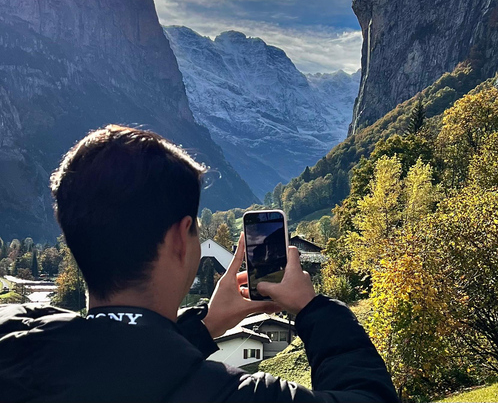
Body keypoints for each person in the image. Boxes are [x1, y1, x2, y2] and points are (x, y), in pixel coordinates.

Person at [0, 125, 398, 402]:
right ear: (179, 238)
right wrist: (314, 309)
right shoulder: (227, 393)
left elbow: (120, 358)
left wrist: (207, 323)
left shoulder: (15, 343)